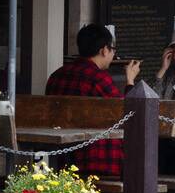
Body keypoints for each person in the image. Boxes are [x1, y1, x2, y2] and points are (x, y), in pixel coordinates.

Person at [45, 24, 141, 179]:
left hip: (61, 158)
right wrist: (130, 81)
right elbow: (127, 115)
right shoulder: (99, 79)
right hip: (97, 161)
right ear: (104, 50)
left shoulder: (56, 76)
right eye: (113, 49)